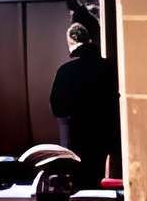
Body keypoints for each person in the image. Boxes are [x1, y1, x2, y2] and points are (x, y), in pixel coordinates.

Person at [51, 20, 122, 183]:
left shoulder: (66, 71)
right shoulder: (109, 67)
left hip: (78, 135)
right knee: (99, 177)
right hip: (105, 135)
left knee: (80, 181)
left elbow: (57, 107)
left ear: (71, 43)